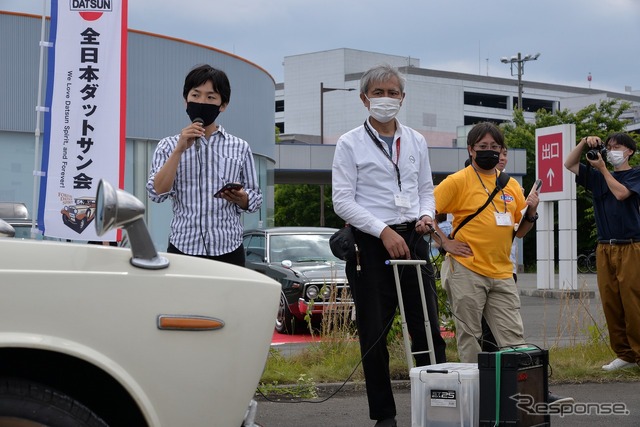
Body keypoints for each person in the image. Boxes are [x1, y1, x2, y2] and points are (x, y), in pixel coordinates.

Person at [332, 64, 446, 427]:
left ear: (402, 98)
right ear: (364, 98)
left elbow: (426, 190)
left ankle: (437, 408)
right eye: (378, 93)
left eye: (393, 93)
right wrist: (382, 231)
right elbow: (342, 201)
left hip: (413, 237)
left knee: (427, 325)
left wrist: (427, 216)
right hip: (371, 242)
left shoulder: (416, 140)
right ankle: (385, 416)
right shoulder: (349, 142)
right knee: (374, 331)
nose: (386, 99)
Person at [433, 122, 539, 364]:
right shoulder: (456, 181)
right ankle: (475, 394)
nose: (489, 150)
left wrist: (532, 211)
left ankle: (518, 391)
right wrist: (445, 243)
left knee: (513, 338)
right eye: (483, 146)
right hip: (466, 270)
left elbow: (520, 230)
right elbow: (425, 214)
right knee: (470, 336)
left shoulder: (511, 185)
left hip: (502, 272)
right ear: (471, 149)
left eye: (494, 146)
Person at [146, 64, 262, 266]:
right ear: (186, 100)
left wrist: (242, 198)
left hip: (229, 249)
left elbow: (255, 198)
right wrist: (179, 150)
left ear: (222, 105)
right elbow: (156, 193)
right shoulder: (168, 145)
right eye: (196, 95)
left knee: (229, 299)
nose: (201, 102)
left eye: (210, 97)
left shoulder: (240, 147)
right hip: (183, 247)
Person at [564, 132, 640, 371]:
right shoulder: (596, 177)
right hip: (604, 246)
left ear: (629, 151)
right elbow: (569, 164)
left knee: (633, 302)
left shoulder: (635, 174)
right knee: (611, 302)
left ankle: (639, 354)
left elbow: (621, 193)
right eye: (609, 147)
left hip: (631, 245)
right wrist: (585, 142)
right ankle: (625, 354)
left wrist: (604, 170)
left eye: (617, 147)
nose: (612, 150)